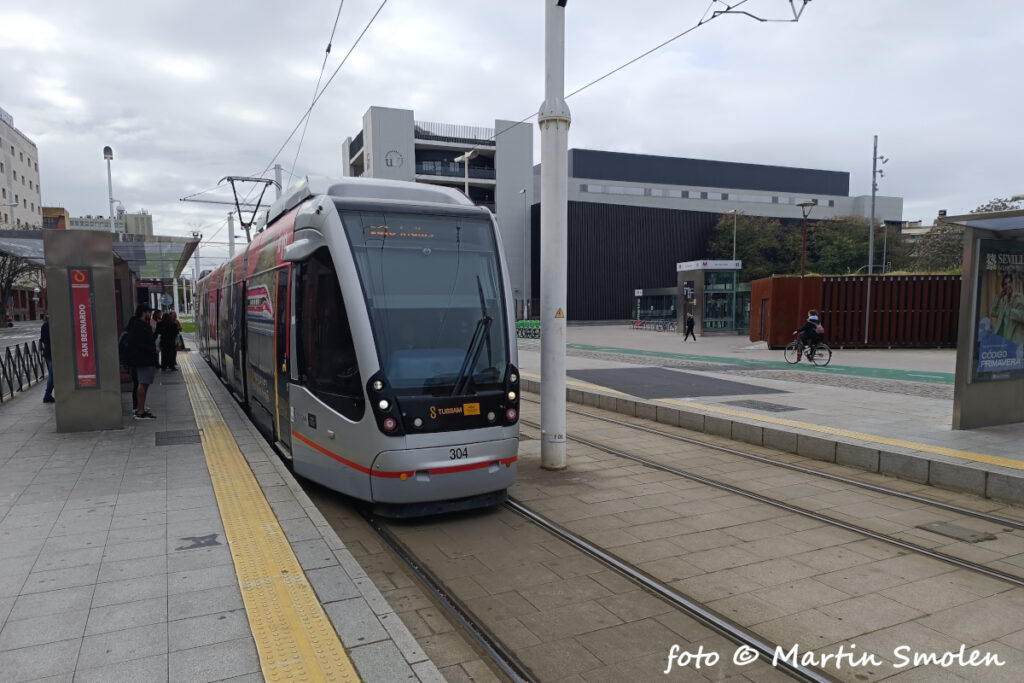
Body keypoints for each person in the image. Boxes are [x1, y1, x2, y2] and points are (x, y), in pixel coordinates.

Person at [126, 303, 159, 420]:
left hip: (144, 359)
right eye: (149, 312)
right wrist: (153, 349)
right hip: (143, 359)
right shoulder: (139, 326)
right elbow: (140, 343)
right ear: (144, 313)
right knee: (143, 383)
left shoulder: (140, 325)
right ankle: (140, 411)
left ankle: (141, 409)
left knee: (144, 384)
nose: (151, 314)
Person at [990, 272, 1024, 345]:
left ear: (1012, 284)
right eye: (1005, 284)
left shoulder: (1018, 298)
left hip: (1016, 341)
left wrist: (1011, 309)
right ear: (1004, 288)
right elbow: (993, 312)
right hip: (1005, 341)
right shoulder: (1004, 304)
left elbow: (1022, 316)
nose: (1008, 285)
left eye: (1009, 282)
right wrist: (999, 297)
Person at [40, 314, 54, 403]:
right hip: (53, 353)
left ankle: (48, 395)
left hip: (47, 353)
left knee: (52, 375)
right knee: (53, 375)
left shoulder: (44, 326)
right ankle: (47, 395)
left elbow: (42, 339)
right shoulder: (54, 325)